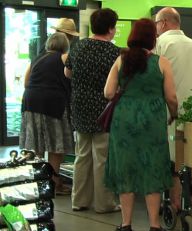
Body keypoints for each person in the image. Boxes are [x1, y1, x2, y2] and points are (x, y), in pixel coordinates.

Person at [103, 18, 178, 231]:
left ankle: (126, 224)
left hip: (124, 120)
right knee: (153, 166)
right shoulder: (162, 62)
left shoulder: (121, 60)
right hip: (152, 121)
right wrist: (173, 114)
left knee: (126, 166)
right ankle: (155, 225)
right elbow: (171, 97)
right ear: (153, 38)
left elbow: (108, 92)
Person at [154, 7, 192, 211]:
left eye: (156, 24)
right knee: (183, 159)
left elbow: (152, 76)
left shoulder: (160, 43)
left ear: (163, 23)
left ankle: (170, 203)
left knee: (168, 160)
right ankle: (181, 201)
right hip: (189, 115)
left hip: (165, 112)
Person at [64, 8, 121, 214]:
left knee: (82, 155)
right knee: (102, 157)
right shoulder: (114, 53)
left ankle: (79, 200)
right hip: (103, 110)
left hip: (79, 106)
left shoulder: (78, 47)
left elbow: (67, 72)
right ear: (110, 28)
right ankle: (104, 203)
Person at [20, 32, 74, 195]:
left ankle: (39, 181)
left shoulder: (36, 58)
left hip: (30, 102)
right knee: (56, 146)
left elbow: (26, 82)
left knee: (37, 144)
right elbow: (71, 78)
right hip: (52, 104)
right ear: (65, 46)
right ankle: (54, 182)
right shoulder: (64, 58)